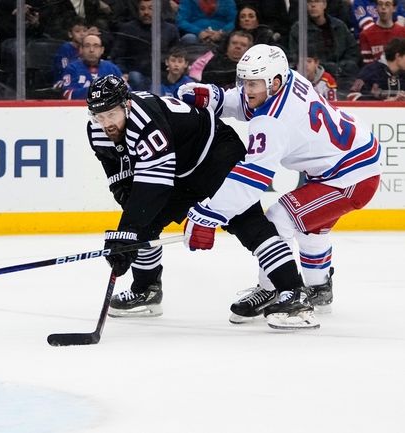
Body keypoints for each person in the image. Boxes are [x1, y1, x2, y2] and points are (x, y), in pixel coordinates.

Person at [178, 44, 381, 328]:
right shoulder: (289, 78)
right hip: (346, 161)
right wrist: (218, 98)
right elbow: (251, 99)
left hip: (350, 176)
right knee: (310, 226)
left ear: (274, 82)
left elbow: (250, 179)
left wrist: (209, 215)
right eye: (244, 81)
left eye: (253, 83)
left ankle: (279, 289)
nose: (247, 89)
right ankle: (319, 287)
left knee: (279, 217)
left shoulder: (271, 122)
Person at [86, 75, 308, 330]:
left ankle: (295, 295)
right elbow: (117, 170)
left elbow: (153, 186)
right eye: (99, 116)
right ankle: (146, 291)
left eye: (111, 114)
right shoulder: (98, 129)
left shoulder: (146, 122)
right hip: (179, 169)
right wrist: (129, 229)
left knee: (249, 225)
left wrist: (126, 231)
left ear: (127, 104)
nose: (106, 123)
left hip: (217, 155)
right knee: (143, 226)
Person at [288, 0, 361, 87]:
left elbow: (353, 52)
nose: (313, 5)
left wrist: (341, 67)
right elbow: (294, 56)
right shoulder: (299, 29)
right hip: (312, 77)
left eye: (317, 1)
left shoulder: (339, 26)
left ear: (324, 4)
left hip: (342, 74)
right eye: (310, 2)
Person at [111, 0, 180, 91]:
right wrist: (124, 72)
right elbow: (118, 55)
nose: (146, 12)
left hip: (162, 74)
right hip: (136, 73)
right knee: (135, 77)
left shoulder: (170, 30)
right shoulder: (128, 29)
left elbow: (176, 54)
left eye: (150, 9)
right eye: (142, 9)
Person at [61, 33, 122, 99]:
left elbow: (127, 91)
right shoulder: (72, 68)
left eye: (96, 46)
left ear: (102, 50)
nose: (91, 50)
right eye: (87, 46)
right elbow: (67, 94)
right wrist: (96, 90)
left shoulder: (112, 68)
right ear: (81, 49)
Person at [53, 16, 89, 83]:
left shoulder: (88, 48)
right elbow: (65, 71)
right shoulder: (65, 49)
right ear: (70, 34)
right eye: (77, 31)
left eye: (85, 31)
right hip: (65, 82)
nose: (82, 34)